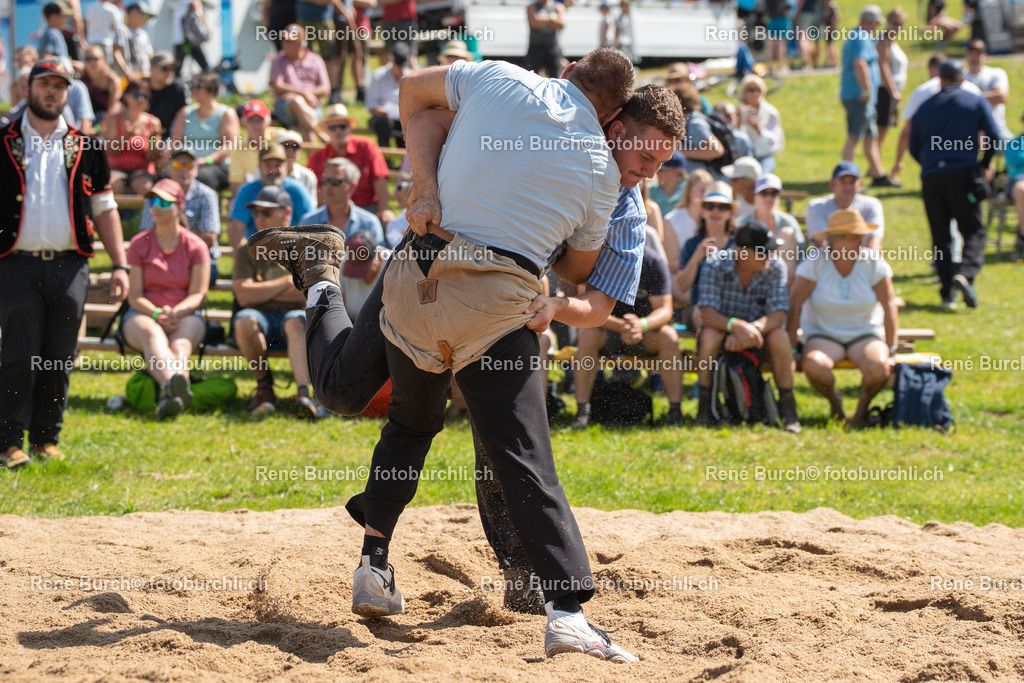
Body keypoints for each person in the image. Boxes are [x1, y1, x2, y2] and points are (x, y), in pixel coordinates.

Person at [249, 50, 648, 662]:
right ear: (613, 116)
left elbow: (413, 93)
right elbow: (575, 268)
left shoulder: (497, 78)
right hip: (490, 301)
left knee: (408, 421)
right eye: (645, 157)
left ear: (566, 74)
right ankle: (565, 610)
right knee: (520, 450)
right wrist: (539, 214)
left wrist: (434, 185)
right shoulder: (602, 172)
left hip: (418, 276)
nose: (644, 170)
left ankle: (376, 564)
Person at [0, 59, 129, 470]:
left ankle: (45, 438)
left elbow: (106, 208)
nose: (52, 92)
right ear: (27, 88)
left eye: (60, 85)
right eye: (44, 84)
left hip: (70, 265)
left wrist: (121, 266)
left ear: (68, 92)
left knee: (59, 354)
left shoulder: (87, 146)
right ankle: (7, 441)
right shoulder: (2, 140)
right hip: (14, 263)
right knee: (19, 353)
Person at [788, 209, 898, 425]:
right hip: (823, 335)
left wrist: (892, 349)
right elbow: (794, 304)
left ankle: (862, 408)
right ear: (836, 240)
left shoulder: (872, 262)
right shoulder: (815, 263)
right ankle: (835, 404)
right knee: (814, 366)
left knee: (879, 368)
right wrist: (792, 349)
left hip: (866, 335)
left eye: (861, 236)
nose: (861, 241)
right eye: (855, 236)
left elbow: (890, 304)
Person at [910, 59, 1000, 310]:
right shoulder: (974, 101)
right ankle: (966, 272)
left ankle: (947, 294)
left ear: (941, 79)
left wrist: (929, 164)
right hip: (963, 173)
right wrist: (984, 164)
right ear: (962, 79)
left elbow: (913, 145)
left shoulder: (925, 106)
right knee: (973, 229)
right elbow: (993, 135)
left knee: (941, 237)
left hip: (931, 177)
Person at [694, 222, 802, 432]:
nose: (771, 255)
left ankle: (789, 410)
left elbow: (778, 314)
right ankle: (705, 406)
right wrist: (736, 326)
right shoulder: (715, 264)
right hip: (723, 334)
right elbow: (707, 315)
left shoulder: (776, 267)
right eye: (765, 252)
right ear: (743, 253)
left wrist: (751, 330)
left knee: (780, 336)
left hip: (759, 337)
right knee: (709, 337)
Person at [233, 186, 326, 419]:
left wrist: (261, 291)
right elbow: (243, 296)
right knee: (244, 322)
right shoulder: (245, 250)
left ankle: (304, 393)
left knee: (295, 322)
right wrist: (288, 281)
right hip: (258, 317)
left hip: (295, 318)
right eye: (255, 213)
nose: (258, 219)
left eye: (266, 213)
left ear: (286, 213)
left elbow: (306, 295)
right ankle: (264, 388)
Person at [571, 241, 683, 428]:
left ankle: (675, 411)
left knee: (669, 337)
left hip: (645, 333)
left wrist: (642, 325)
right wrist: (623, 326)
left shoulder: (653, 261)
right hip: (607, 330)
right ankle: (582, 411)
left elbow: (664, 310)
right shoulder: (599, 259)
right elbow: (586, 307)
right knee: (587, 333)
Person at [123, 178, 210, 418]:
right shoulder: (139, 244)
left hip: (185, 313)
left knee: (181, 343)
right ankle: (174, 384)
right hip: (143, 313)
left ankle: (168, 393)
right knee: (152, 333)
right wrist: (156, 314)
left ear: (180, 206)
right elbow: (135, 295)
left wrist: (175, 313)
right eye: (152, 200)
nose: (156, 206)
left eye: (164, 201)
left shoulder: (196, 245)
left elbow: (198, 294)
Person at [890, 53, 982, 183]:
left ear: (934, 70)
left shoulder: (923, 91)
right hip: (966, 159)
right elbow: (985, 131)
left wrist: (900, 162)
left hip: (934, 162)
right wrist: (984, 162)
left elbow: (907, 132)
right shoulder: (973, 90)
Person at [140, 145, 223, 283]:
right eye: (178, 164)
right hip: (161, 256)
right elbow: (146, 235)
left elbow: (209, 239)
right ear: (169, 168)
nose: (184, 169)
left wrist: (167, 237)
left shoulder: (208, 195)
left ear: (196, 169)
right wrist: (190, 235)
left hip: (198, 258)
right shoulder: (155, 193)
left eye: (189, 165)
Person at [840, 5, 899, 188]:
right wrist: (866, 90)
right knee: (854, 136)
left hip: (862, 96)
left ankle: (878, 174)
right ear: (872, 22)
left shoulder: (858, 36)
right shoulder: (861, 38)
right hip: (859, 97)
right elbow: (860, 63)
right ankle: (846, 177)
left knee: (870, 136)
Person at [307, 103, 393, 222]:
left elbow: (379, 180)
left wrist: (384, 209)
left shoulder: (367, 146)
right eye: (332, 128)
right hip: (332, 212)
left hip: (368, 209)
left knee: (385, 218)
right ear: (326, 131)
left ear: (350, 127)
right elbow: (318, 191)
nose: (338, 131)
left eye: (342, 126)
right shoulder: (317, 157)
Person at [673, 181, 737, 325]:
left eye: (723, 207)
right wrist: (696, 258)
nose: (716, 211)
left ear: (730, 213)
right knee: (703, 316)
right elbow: (681, 287)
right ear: (702, 211)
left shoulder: (738, 245)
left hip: (732, 308)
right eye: (710, 206)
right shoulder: (692, 244)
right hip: (698, 308)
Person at [229, 144, 316, 247]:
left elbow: (312, 228)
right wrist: (248, 256)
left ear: (286, 166)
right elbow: (236, 230)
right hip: (257, 251)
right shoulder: (247, 190)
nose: (273, 171)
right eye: (268, 165)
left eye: (278, 165)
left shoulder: (297, 189)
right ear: (259, 167)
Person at [170, 70, 239, 192]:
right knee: (165, 175)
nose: (193, 91)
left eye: (198, 87)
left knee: (203, 177)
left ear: (212, 89)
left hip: (217, 165)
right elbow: (175, 142)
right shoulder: (185, 113)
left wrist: (206, 160)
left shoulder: (226, 114)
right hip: (186, 164)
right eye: (192, 86)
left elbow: (229, 146)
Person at [270, 23, 331, 142]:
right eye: (284, 39)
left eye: (290, 40)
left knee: (304, 122)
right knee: (297, 101)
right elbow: (278, 85)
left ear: (302, 41)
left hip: (311, 106)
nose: (285, 43)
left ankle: (312, 159)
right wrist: (303, 94)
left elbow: (326, 88)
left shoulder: (316, 60)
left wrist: (307, 95)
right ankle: (321, 134)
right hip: (285, 107)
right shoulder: (278, 60)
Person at [736, 173, 804, 280]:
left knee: (787, 233)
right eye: (764, 193)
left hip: (784, 277)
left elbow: (801, 253)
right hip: (752, 274)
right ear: (755, 195)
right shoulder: (743, 223)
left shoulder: (788, 222)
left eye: (774, 193)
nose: (769, 198)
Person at [301, 157, 385, 243]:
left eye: (335, 181)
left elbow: (377, 255)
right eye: (325, 181)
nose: (328, 187)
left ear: (352, 186)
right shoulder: (308, 222)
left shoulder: (369, 223)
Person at [101, 78, 161, 196]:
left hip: (142, 171)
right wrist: (126, 136)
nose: (140, 99)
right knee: (115, 186)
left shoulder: (153, 122)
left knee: (145, 187)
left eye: (145, 95)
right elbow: (108, 151)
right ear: (126, 96)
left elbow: (153, 158)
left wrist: (153, 141)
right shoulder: (113, 119)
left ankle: (144, 215)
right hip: (116, 169)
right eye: (136, 94)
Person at [805, 161, 884, 249]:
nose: (847, 187)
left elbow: (875, 243)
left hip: (863, 259)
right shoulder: (816, 207)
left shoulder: (872, 204)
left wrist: (864, 262)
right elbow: (821, 244)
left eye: (852, 181)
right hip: (828, 260)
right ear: (832, 183)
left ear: (860, 184)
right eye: (843, 181)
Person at [229, 99, 287, 194]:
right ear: (244, 123)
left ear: (268, 122)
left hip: (282, 189)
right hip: (253, 195)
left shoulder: (281, 137)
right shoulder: (237, 150)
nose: (256, 125)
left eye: (260, 120)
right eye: (251, 120)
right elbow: (235, 186)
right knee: (232, 204)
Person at [663, 168, 712, 273]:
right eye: (702, 191)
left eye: (710, 191)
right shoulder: (671, 220)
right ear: (689, 190)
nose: (706, 196)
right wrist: (697, 258)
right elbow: (672, 264)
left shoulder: (715, 217)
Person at [964, 39, 1012, 142]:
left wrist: (969, 98)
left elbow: (1001, 97)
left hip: (995, 124)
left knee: (1013, 149)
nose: (974, 58)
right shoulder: (960, 77)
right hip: (967, 127)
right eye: (971, 54)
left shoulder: (996, 73)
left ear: (985, 56)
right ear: (966, 56)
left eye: (978, 54)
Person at [673, 82, 724, 177]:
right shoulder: (689, 121)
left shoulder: (695, 124)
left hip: (707, 179)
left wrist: (684, 152)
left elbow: (716, 149)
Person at [366, 44, 412, 149]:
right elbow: (371, 103)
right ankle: (386, 160)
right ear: (391, 59)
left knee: (410, 125)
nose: (400, 68)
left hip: (404, 119)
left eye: (402, 65)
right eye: (398, 64)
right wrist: (382, 111)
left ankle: (405, 163)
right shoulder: (378, 75)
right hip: (383, 119)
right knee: (383, 124)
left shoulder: (411, 76)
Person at [874, 7, 908, 146]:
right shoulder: (884, 41)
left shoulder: (891, 41)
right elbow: (883, 66)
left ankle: (875, 162)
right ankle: (874, 164)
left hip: (889, 91)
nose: (897, 27)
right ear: (888, 22)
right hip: (884, 90)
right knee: (880, 128)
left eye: (900, 24)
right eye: (894, 23)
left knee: (884, 127)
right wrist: (893, 91)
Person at [738, 74, 784, 173]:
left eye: (758, 90)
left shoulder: (770, 112)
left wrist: (759, 130)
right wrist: (738, 120)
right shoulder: (738, 111)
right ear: (744, 92)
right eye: (751, 90)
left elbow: (775, 142)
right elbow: (733, 138)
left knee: (761, 178)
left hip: (764, 156)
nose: (755, 93)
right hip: (743, 157)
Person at [148, 52, 187, 140]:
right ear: (151, 69)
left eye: (172, 68)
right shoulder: (141, 87)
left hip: (169, 138)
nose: (169, 72)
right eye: (164, 68)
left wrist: (172, 144)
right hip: (141, 137)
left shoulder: (177, 88)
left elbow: (183, 116)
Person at [80, 44, 122, 122]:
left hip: (104, 121)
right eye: (88, 59)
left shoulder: (112, 81)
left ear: (103, 60)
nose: (91, 62)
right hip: (85, 118)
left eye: (95, 59)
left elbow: (113, 111)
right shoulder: (83, 76)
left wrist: (97, 128)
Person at [525, 0, 566, 76]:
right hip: (535, 47)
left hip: (552, 47)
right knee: (531, 75)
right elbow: (534, 22)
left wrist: (541, 20)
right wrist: (551, 18)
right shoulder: (532, 6)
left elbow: (561, 24)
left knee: (556, 76)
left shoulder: (558, 6)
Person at [1003, 111, 1024, 257]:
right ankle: (1023, 238)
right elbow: (1013, 162)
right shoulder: (1015, 143)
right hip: (1018, 180)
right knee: (1021, 189)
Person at [277, 129, 320, 198]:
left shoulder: (308, 176)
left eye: (294, 147)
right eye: (285, 146)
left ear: (300, 151)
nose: (290, 150)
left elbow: (311, 206)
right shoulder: (265, 172)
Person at [172, 0, 210, 74]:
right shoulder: (178, 4)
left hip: (189, 41)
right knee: (176, 71)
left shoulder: (192, 2)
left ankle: (210, 84)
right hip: (183, 41)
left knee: (206, 68)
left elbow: (199, 18)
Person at [120, 2, 156, 78]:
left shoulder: (144, 34)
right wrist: (128, 73)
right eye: (145, 15)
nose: (147, 19)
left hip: (144, 76)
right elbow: (117, 53)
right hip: (128, 78)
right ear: (134, 13)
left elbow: (150, 55)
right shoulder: (122, 30)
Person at [648, 151, 686, 217]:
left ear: (677, 171)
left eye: (661, 170)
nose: (656, 172)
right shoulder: (648, 190)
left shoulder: (689, 190)